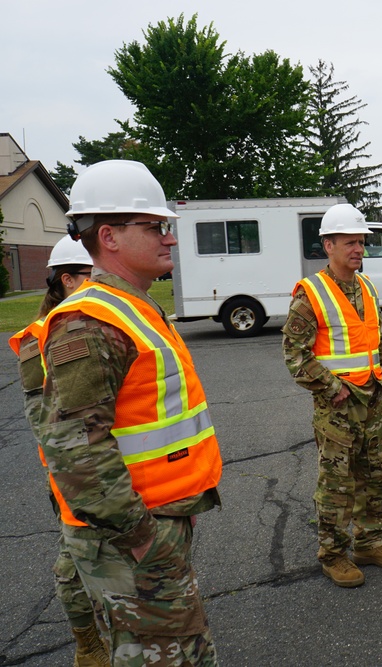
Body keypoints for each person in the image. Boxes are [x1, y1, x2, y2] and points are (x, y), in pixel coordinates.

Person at [38, 160, 223, 666]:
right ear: (109, 237)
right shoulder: (90, 324)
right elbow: (75, 451)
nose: (170, 239)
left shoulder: (135, 306)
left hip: (155, 522)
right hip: (132, 536)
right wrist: (140, 537)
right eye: (155, 227)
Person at [282, 203, 382, 588]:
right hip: (337, 408)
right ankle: (333, 555)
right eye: (350, 242)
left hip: (372, 401)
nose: (358, 249)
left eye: (362, 242)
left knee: (377, 477)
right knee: (337, 486)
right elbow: (295, 355)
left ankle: (369, 543)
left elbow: (380, 341)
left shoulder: (367, 287)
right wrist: (333, 389)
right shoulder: (311, 294)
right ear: (328, 245)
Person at [8, 238, 110, 666]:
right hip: (78, 474)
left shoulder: (109, 322)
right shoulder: (40, 339)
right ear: (67, 280)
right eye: (92, 277)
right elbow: (44, 419)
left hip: (124, 470)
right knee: (74, 568)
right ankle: (89, 644)